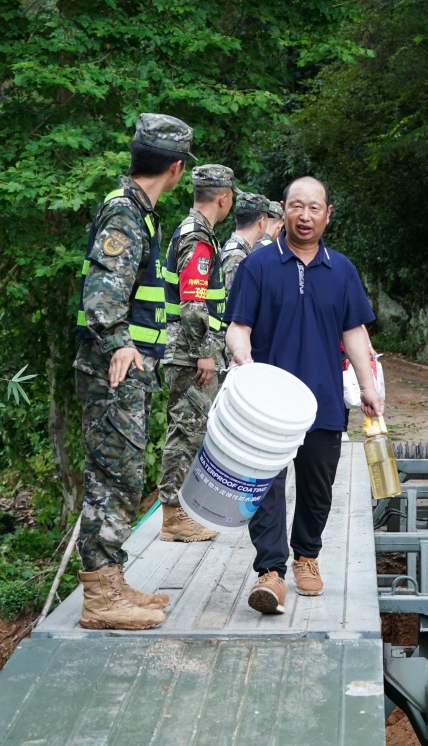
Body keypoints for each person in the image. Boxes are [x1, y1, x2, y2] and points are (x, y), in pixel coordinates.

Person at [225, 176, 383, 616]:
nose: (305, 216)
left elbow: (355, 332)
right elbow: (238, 327)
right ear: (283, 209)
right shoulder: (257, 266)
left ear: (328, 214)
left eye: (315, 208)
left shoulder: (342, 269)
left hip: (324, 401)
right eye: (297, 206)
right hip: (268, 407)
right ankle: (270, 573)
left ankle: (307, 556)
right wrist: (243, 362)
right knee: (265, 488)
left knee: (318, 488)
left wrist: (368, 388)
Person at [74, 113, 193, 630]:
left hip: (128, 371)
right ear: (176, 167)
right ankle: (100, 599)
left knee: (122, 475)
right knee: (113, 476)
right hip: (112, 372)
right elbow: (102, 300)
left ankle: (112, 580)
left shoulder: (140, 213)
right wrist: (121, 345)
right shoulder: (125, 215)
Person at [156, 165, 234, 544]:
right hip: (189, 354)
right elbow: (193, 302)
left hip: (189, 351)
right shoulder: (198, 239)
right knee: (186, 432)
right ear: (223, 197)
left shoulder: (197, 233)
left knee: (193, 430)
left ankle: (182, 512)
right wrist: (205, 352)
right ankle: (173, 517)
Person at [220, 192, 271, 296]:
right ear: (261, 222)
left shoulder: (233, 248)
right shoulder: (238, 256)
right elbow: (235, 304)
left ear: (236, 219)